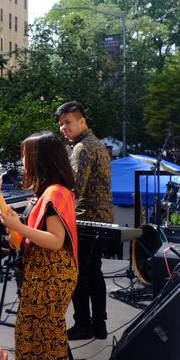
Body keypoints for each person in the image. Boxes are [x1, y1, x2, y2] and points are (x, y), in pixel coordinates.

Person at [0, 131, 79, 360]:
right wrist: (13, 227)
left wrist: (19, 227)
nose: (22, 161)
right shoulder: (45, 193)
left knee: (47, 336)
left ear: (39, 158)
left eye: (25, 155)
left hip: (53, 273)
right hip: (41, 270)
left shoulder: (56, 192)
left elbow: (56, 241)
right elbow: (25, 240)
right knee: (29, 331)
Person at [55, 101, 113, 340]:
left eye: (67, 122)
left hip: (86, 221)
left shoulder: (82, 148)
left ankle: (83, 325)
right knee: (95, 272)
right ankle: (99, 325)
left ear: (82, 121)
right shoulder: (98, 143)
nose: (63, 128)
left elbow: (74, 188)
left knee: (77, 274)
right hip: (103, 218)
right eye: (60, 124)